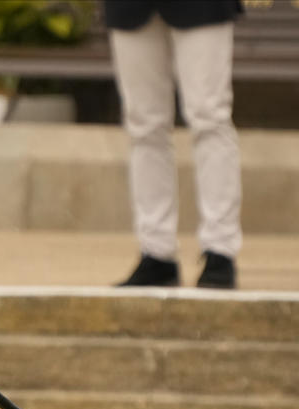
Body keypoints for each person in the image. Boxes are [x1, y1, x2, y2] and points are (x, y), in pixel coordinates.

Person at [106, 0, 243, 288]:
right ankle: (156, 252)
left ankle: (220, 250)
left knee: (209, 117)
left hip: (203, 7)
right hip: (130, 8)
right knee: (143, 124)